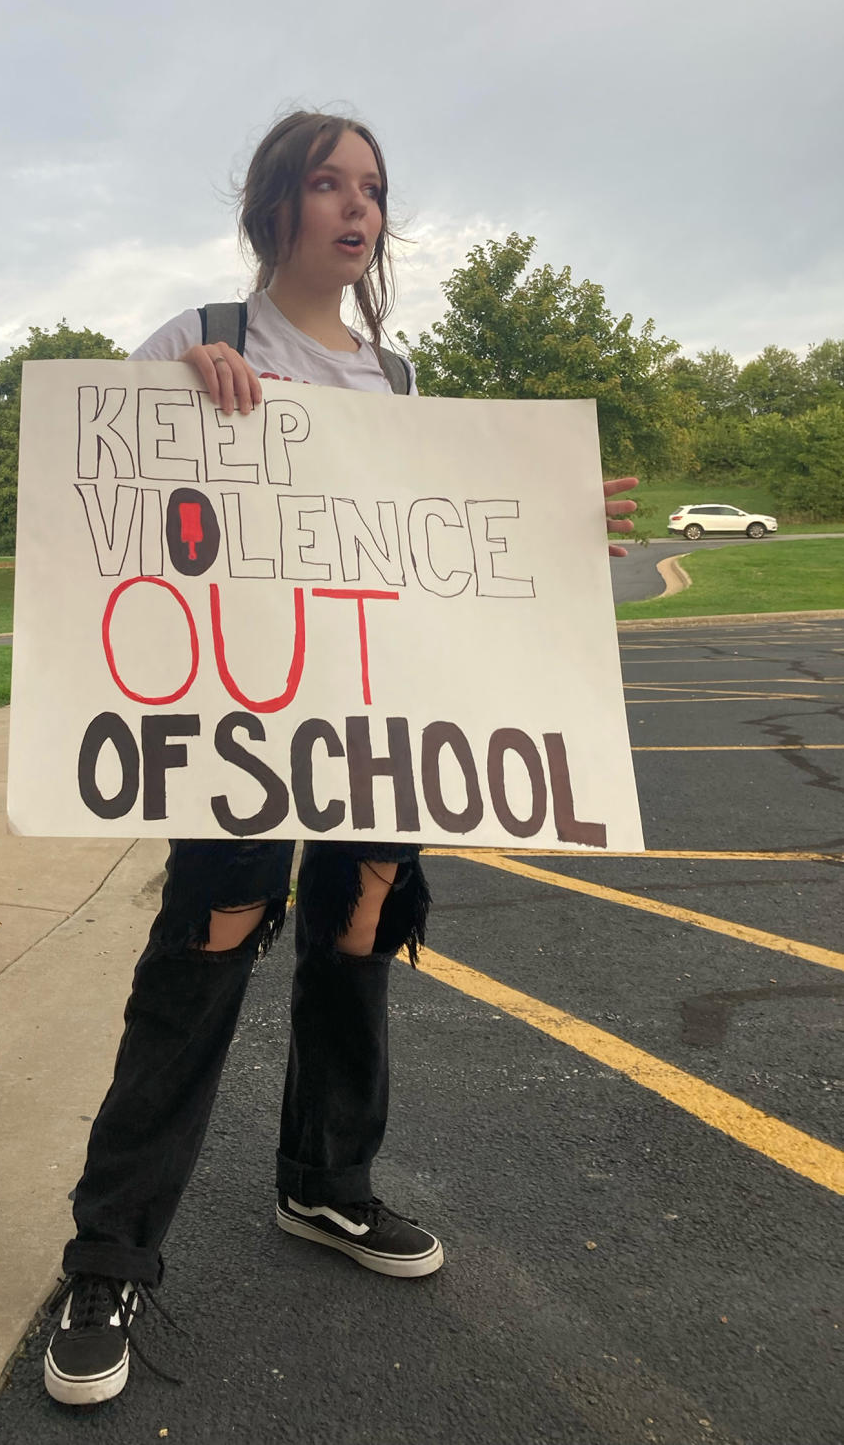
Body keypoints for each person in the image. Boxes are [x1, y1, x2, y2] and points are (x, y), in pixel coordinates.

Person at [43, 110, 639, 1406]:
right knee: (209, 941)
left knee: (359, 921)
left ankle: (325, 1180)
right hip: (237, 717)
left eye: (371, 187)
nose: (355, 205)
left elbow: (449, 555)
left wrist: (558, 518)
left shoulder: (402, 387)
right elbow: (98, 508)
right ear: (273, 206)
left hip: (374, 714)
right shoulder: (198, 340)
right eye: (327, 182)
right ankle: (107, 1257)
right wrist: (182, 412)